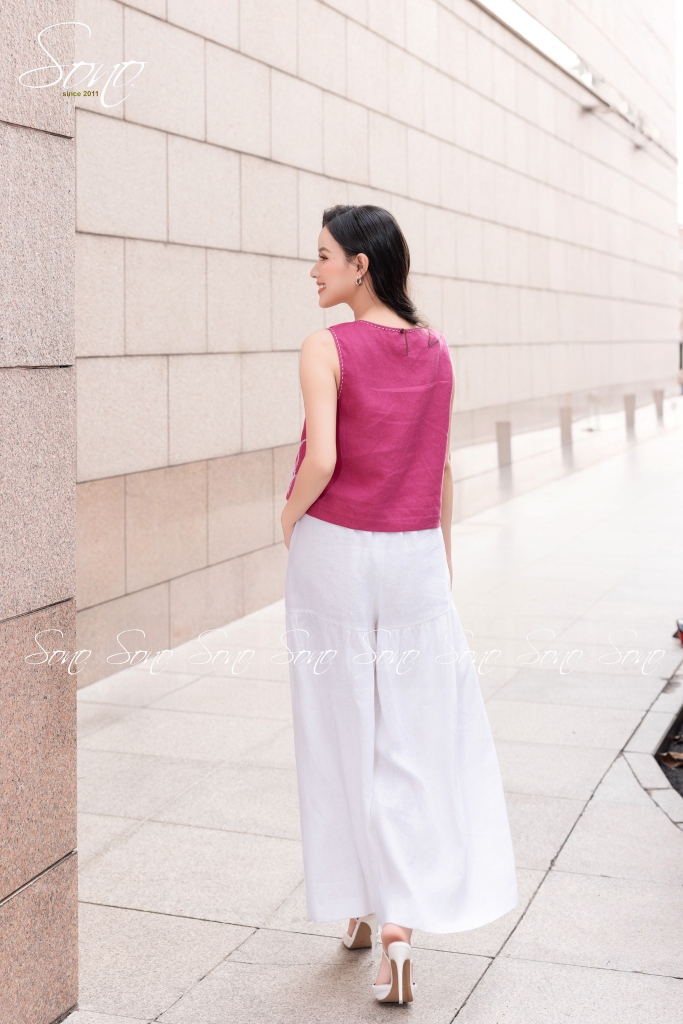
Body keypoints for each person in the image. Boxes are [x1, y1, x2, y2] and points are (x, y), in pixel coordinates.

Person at [281, 204, 517, 1005]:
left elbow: (322, 458)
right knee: (411, 733)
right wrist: (438, 562)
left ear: (360, 265)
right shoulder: (435, 349)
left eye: (323, 255)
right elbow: (439, 468)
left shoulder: (326, 346)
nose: (313, 269)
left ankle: (355, 899)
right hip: (414, 552)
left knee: (339, 726)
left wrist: (286, 518)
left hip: (335, 551)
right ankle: (394, 932)